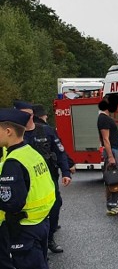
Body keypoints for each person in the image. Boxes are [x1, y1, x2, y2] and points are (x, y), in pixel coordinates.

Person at [0, 108, 60, 269]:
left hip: (24, 225)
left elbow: (11, 201)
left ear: (8, 131)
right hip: (39, 223)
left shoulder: (14, 161)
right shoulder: (30, 152)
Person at [19, 103, 72, 253]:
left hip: (48, 177)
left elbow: (60, 152)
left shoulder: (46, 131)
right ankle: (34, 243)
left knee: (55, 206)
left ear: (32, 115)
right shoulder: (16, 135)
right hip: (25, 180)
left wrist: (66, 172)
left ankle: (49, 238)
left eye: (28, 114)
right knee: (30, 212)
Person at [98, 97, 118, 216]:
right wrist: (110, 156)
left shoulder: (106, 118)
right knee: (113, 178)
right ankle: (111, 205)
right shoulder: (103, 119)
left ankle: (115, 203)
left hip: (114, 149)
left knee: (116, 178)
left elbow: (109, 138)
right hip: (111, 152)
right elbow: (105, 139)